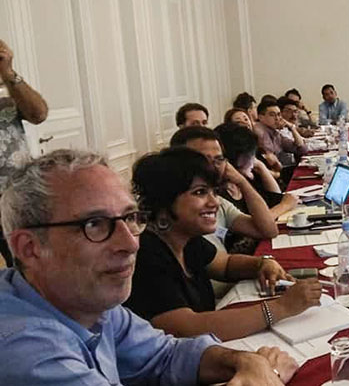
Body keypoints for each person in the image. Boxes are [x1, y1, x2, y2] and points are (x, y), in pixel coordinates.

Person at [0, 149, 297, 385]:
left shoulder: (88, 302)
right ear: (30, 248)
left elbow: (165, 356)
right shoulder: (25, 352)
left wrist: (246, 363)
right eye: (95, 224)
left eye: (130, 218)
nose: (130, 244)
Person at [125, 148, 321, 343]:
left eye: (214, 192)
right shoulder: (145, 253)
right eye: (200, 192)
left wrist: (263, 263)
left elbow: (225, 265)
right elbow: (184, 328)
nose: (215, 203)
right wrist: (281, 308)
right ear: (164, 203)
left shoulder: (186, 238)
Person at [170, 127, 280, 296]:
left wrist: (242, 181)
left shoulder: (217, 202)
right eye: (203, 160)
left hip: (233, 293)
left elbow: (267, 230)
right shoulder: (172, 223)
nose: (213, 168)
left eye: (218, 160)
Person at [0, 39, 48, 268]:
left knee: (27, 262)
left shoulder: (9, 90)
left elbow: (38, 114)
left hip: (17, 194)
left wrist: (8, 72)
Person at [215, 122, 298, 239]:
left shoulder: (246, 179)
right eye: (251, 155)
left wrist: (262, 167)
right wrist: (284, 206)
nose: (254, 159)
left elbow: (274, 199)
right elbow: (261, 225)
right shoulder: (219, 194)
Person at [254, 98, 308, 164]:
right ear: (260, 117)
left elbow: (302, 149)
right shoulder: (260, 132)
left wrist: (292, 127)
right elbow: (271, 161)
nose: (277, 118)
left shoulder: (275, 132)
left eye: (279, 114)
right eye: (272, 115)